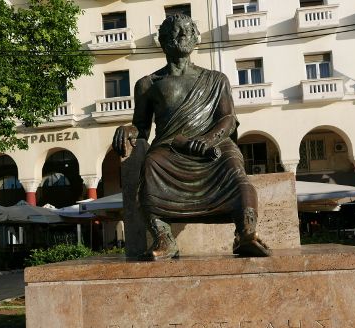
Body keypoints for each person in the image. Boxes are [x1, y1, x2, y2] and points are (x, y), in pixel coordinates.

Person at [112, 13, 269, 260]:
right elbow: (141, 128)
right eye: (174, 31)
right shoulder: (148, 84)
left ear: (196, 37)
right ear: (162, 41)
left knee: (235, 171)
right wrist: (128, 130)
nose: (182, 35)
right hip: (170, 149)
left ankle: (246, 233)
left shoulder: (216, 79)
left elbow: (228, 119)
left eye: (187, 30)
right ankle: (164, 239)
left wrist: (208, 139)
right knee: (151, 165)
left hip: (213, 146)